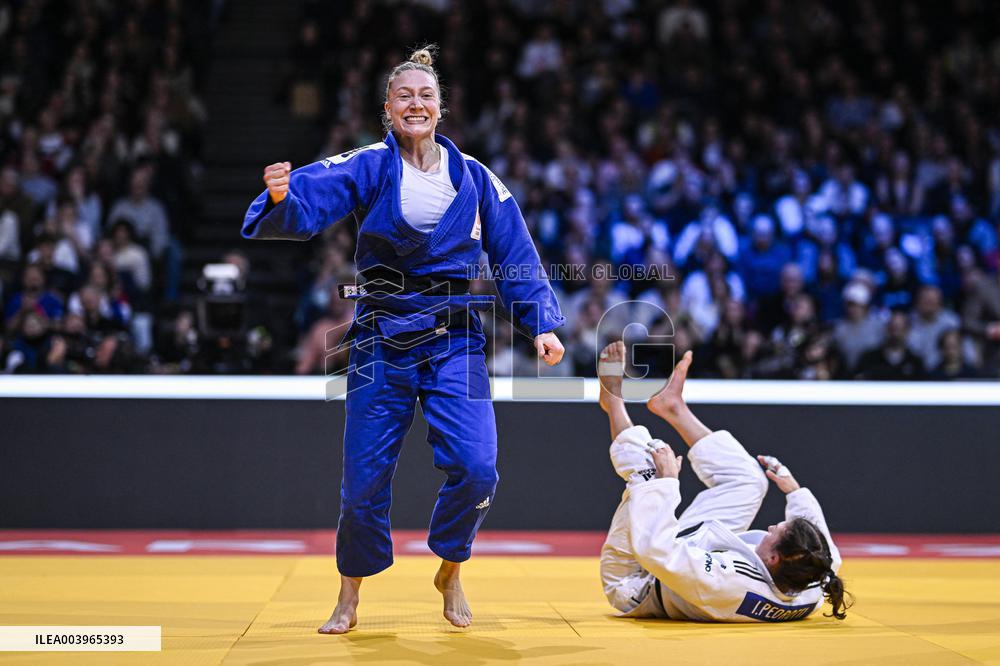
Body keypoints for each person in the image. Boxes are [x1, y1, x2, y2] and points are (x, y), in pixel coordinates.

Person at [242, 46, 565, 634]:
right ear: (386, 110)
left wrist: (540, 322)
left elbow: (515, 252)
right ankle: (348, 597)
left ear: (441, 109)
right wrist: (284, 199)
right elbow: (320, 188)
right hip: (379, 338)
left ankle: (451, 567)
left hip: (455, 341)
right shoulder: (370, 164)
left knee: (478, 468)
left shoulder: (474, 177)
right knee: (362, 484)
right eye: (404, 96)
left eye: (426, 96)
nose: (415, 104)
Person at [596, 341, 850, 622]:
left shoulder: (727, 582)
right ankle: (673, 407)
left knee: (649, 470)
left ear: (775, 558)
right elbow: (827, 552)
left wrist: (665, 483)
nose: (769, 526)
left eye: (775, 531)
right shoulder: (811, 581)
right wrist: (796, 493)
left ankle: (612, 401)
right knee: (751, 481)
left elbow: (655, 549)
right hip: (692, 550)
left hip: (638, 577)